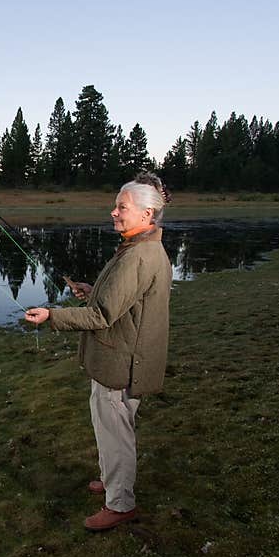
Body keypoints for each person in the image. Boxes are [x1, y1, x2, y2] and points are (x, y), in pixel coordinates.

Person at [24, 172, 172, 531]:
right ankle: (112, 482)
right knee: (109, 428)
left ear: (147, 215)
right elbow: (121, 303)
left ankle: (120, 504)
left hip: (121, 364)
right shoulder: (141, 248)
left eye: (122, 207)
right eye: (116, 206)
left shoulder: (138, 257)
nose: (114, 213)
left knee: (115, 432)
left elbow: (103, 315)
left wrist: (51, 316)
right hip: (121, 358)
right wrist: (93, 291)